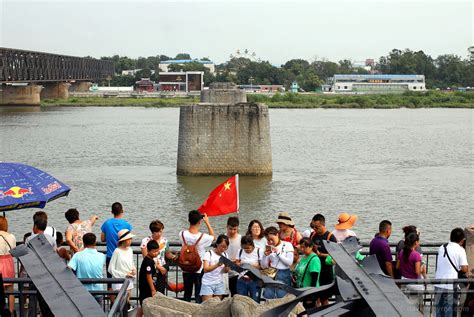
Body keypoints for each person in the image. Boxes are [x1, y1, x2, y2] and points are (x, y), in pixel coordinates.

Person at [179, 210, 215, 303]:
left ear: (189, 220)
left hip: (186, 267)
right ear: (200, 222)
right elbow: (213, 237)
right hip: (198, 268)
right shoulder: (203, 237)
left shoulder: (182, 234)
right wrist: (207, 222)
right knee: (198, 293)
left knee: (187, 293)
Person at [434, 228, 469, 317]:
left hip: (438, 284)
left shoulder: (442, 247)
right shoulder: (460, 250)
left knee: (439, 312)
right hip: (450, 286)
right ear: (462, 240)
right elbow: (465, 268)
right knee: (449, 313)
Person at [101, 202, 132, 290]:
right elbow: (128, 238)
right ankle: (124, 300)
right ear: (122, 211)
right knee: (125, 281)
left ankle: (112, 302)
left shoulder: (107, 223)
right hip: (123, 257)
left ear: (112, 212)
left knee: (110, 282)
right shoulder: (126, 224)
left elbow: (102, 238)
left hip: (110, 256)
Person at [68, 233, 106, 305]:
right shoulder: (102, 256)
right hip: (99, 290)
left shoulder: (78, 255)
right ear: (95, 242)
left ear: (83, 242)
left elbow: (69, 268)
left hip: (83, 291)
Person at [140, 220, 177, 294]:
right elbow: (146, 257)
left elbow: (167, 254)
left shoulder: (165, 241)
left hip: (162, 269)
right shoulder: (145, 241)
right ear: (152, 232)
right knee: (149, 290)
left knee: (161, 291)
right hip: (150, 269)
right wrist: (158, 266)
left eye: (161, 231)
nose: (159, 234)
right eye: (157, 232)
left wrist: (174, 256)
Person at [310, 214, 337, 306]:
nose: (315, 229)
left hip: (326, 270)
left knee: (324, 298)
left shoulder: (330, 237)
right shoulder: (313, 235)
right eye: (313, 226)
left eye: (317, 227)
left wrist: (321, 254)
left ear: (323, 224)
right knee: (315, 298)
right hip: (315, 270)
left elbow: (336, 255)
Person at [261, 226, 294, 299]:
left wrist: (278, 253)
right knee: (269, 296)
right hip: (271, 273)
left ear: (277, 235)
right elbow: (264, 266)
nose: (270, 242)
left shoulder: (287, 245)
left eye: (272, 239)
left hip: (284, 273)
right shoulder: (269, 247)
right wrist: (265, 256)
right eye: (268, 240)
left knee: (283, 297)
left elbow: (289, 263)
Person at [108, 229, 136, 308]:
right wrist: (124, 274)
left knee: (127, 301)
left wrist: (134, 270)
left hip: (129, 279)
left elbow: (131, 263)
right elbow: (110, 269)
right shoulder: (117, 251)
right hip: (119, 280)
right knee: (120, 302)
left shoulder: (130, 250)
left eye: (131, 239)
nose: (131, 241)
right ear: (123, 240)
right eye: (129, 239)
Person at [396, 233, 423, 311]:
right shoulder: (416, 255)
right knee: (414, 307)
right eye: (418, 241)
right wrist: (422, 269)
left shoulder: (401, 252)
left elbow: (397, 267)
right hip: (414, 284)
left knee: (405, 306)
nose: (419, 243)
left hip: (404, 281)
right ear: (415, 243)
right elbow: (417, 272)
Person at [200, 235, 230, 302]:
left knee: (217, 307)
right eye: (221, 246)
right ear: (217, 244)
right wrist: (217, 265)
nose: (223, 249)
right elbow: (205, 269)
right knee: (207, 306)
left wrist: (227, 266)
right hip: (207, 283)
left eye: (225, 247)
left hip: (219, 283)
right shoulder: (208, 254)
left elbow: (226, 271)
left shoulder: (225, 255)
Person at [294, 238, 321, 309]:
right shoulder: (304, 257)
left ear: (311, 247)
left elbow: (314, 279)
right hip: (302, 289)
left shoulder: (314, 259)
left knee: (308, 310)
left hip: (309, 291)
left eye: (304, 247)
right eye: (301, 247)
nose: (302, 249)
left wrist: (311, 296)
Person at [235, 235, 262, 302]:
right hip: (242, 280)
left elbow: (262, 266)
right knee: (241, 301)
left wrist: (248, 265)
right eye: (245, 248)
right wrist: (239, 265)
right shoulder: (240, 251)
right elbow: (236, 264)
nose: (246, 250)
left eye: (248, 248)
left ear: (252, 245)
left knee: (255, 301)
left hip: (255, 280)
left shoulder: (258, 251)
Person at [137, 240, 160, 317]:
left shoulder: (151, 260)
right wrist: (153, 290)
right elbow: (148, 276)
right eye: (154, 251)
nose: (156, 253)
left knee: (144, 307)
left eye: (157, 251)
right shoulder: (148, 262)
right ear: (148, 251)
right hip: (146, 288)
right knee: (145, 306)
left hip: (148, 287)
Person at [0, 217, 16, 315]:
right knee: (10, 290)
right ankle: (11, 311)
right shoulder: (11, 236)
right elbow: (13, 251)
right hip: (9, 262)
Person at [226, 216, 241, 296]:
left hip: (236, 272)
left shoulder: (241, 239)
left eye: (235, 229)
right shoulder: (223, 238)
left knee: (235, 294)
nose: (232, 231)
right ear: (227, 227)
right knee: (223, 296)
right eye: (230, 229)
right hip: (224, 272)